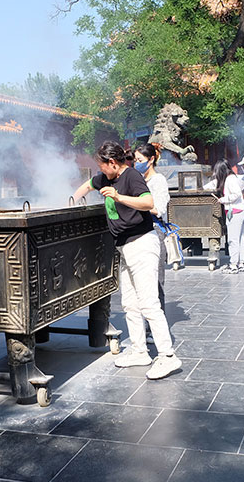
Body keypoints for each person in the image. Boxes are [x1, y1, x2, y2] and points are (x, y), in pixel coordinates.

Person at [72, 141, 181, 380]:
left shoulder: (131, 176)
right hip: (124, 247)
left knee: (149, 303)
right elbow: (87, 186)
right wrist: (71, 199)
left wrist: (119, 197)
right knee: (130, 303)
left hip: (142, 243)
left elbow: (148, 203)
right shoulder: (105, 179)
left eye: (102, 167)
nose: (100, 172)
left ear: (113, 163)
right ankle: (140, 351)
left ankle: (167, 356)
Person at [134, 143, 169, 311]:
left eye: (140, 160)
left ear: (151, 160)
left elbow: (159, 209)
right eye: (135, 160)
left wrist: (136, 204)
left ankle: (155, 323)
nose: (136, 163)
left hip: (154, 230)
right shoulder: (138, 179)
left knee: (156, 279)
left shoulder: (158, 180)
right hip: (138, 232)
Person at [205, 160, 244, 274]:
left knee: (233, 239)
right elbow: (212, 184)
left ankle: (233, 265)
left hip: (235, 212)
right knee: (240, 238)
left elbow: (236, 194)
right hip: (240, 210)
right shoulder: (229, 178)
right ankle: (241, 263)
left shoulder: (230, 179)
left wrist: (223, 200)